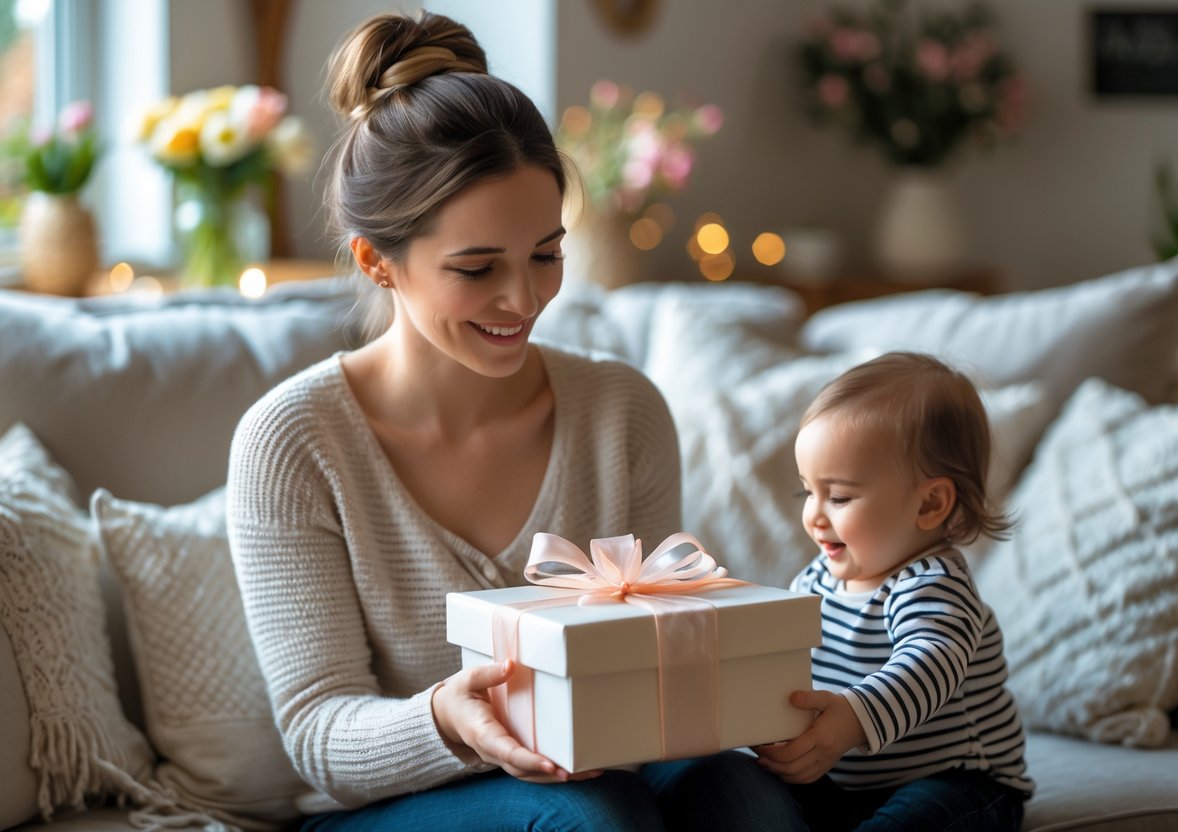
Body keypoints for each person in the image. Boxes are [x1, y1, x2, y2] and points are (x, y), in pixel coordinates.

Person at [226, 10, 805, 832]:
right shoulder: (293, 443)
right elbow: (318, 731)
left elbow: (648, 664)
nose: (523, 300)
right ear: (375, 260)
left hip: (596, 772)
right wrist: (446, 722)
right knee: (590, 818)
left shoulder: (622, 413)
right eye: (475, 268)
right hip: (393, 805)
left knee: (746, 797)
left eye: (545, 254)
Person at [754, 351, 1034, 831]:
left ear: (930, 503)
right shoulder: (817, 578)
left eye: (839, 497)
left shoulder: (932, 583)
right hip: (843, 785)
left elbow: (931, 660)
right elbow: (781, 656)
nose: (815, 515)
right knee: (736, 784)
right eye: (807, 492)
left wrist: (854, 717)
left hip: (958, 782)